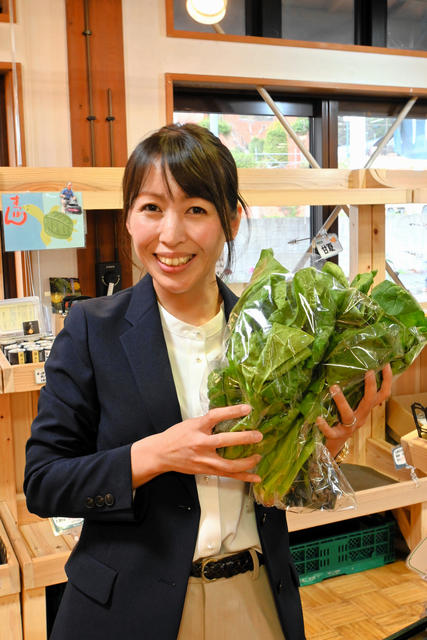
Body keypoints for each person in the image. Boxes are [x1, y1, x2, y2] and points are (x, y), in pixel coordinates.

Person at [24, 123, 392, 640]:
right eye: (151, 208)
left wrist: (313, 454)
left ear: (232, 220)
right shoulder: (91, 329)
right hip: (124, 609)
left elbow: (277, 491)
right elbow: (43, 482)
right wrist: (156, 454)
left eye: (195, 209)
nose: (170, 235)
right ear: (129, 217)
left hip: (254, 598)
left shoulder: (276, 332)